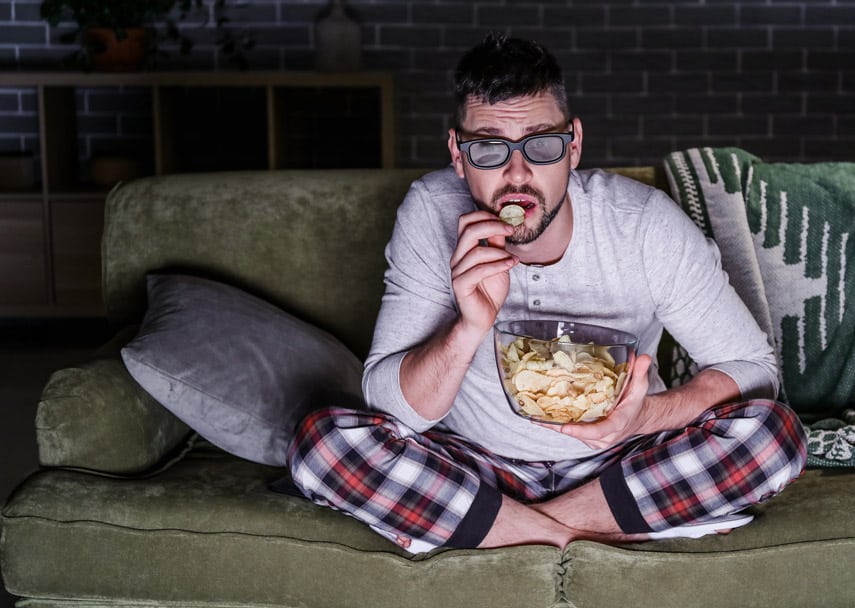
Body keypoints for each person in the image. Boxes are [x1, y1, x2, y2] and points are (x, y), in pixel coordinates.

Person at [288, 33, 807, 553]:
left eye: (541, 145)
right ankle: (600, 527)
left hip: (621, 461)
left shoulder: (644, 224)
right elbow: (390, 408)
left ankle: (486, 529)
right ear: (458, 154)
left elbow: (754, 370)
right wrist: (467, 327)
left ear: (573, 145)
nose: (518, 175)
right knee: (321, 447)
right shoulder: (431, 211)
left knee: (775, 436)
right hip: (475, 462)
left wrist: (645, 416)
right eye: (489, 147)